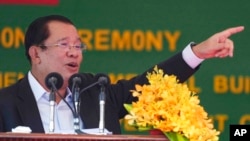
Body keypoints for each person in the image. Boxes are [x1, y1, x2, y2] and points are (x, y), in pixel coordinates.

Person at [0, 15, 244, 134]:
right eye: (64, 45)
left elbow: (150, 86)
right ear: (36, 53)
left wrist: (198, 52)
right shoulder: (6, 104)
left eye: (78, 46)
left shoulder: (96, 91)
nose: (74, 53)